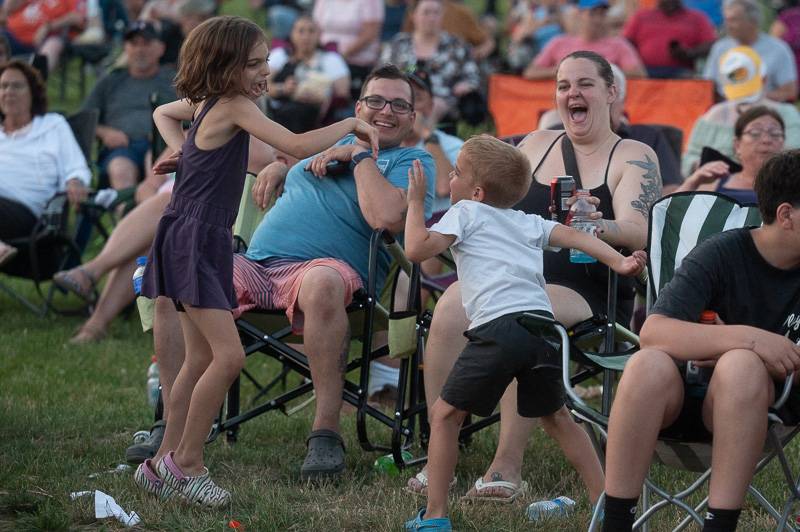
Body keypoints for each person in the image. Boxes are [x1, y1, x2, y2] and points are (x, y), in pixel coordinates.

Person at [127, 63, 435, 476]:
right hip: (258, 264)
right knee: (173, 282)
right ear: (359, 105)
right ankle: (169, 424)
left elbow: (386, 218)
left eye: (400, 104)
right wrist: (280, 166)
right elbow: (281, 151)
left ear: (413, 117)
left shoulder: (415, 161)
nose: (386, 111)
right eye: (376, 100)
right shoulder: (324, 144)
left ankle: (325, 432)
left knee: (323, 282)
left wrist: (361, 154)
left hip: (328, 274)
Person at [131, 15, 378, 507]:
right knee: (229, 357)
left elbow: (162, 113)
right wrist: (350, 125)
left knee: (200, 358)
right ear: (226, 67)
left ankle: (160, 463)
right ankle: (187, 465)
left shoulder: (206, 103)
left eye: (266, 60)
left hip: (192, 235)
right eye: (254, 63)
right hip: (197, 239)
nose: (265, 70)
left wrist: (185, 153)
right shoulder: (235, 106)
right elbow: (296, 145)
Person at [406, 51, 659, 510]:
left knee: (517, 316)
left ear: (610, 92)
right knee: (450, 306)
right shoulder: (534, 143)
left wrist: (593, 226)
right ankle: (442, 443)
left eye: (585, 83)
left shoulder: (634, 155)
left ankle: (507, 463)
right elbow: (478, 178)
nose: (572, 94)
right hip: (516, 273)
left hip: (588, 287)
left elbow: (639, 229)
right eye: (563, 85)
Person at [602, 149, 800, 532]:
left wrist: (736, 352)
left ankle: (719, 524)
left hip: (766, 408)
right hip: (683, 401)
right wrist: (747, 339)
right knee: (647, 362)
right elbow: (654, 331)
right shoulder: (723, 252)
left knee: (740, 366)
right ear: (786, 215)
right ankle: (616, 522)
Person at [51, 137, 276, 344]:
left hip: (203, 224)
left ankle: (92, 284)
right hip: (163, 216)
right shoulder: (188, 135)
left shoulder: (256, 140)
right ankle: (95, 322)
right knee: (158, 227)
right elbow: (147, 186)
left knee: (169, 209)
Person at [0, 60, 90, 267]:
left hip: (31, 220)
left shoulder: (52, 125)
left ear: (33, 92)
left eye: (17, 86)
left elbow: (76, 165)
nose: (8, 92)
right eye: (3, 86)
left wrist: (75, 181)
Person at [538, 63, 682, 194]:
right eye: (565, 87)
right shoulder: (551, 136)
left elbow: (671, 189)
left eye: (609, 96)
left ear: (621, 100)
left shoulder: (648, 137)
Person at [81, 20, 177, 191]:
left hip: (163, 147)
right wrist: (105, 133)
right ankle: (126, 214)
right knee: (120, 170)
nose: (140, 50)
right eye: (134, 44)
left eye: (146, 43)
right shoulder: (110, 81)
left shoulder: (175, 81)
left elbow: (194, 116)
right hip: (122, 147)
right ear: (126, 49)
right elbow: (84, 118)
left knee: (157, 168)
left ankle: (151, 213)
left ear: (160, 48)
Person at [682, 46, 800, 177]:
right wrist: (703, 167)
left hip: (775, 184)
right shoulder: (713, 115)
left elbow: (795, 157)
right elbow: (688, 158)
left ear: (764, 78)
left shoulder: (788, 114)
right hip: (718, 186)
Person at [381, 0, 484, 125]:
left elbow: (473, 76)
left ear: (442, 16)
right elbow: (382, 73)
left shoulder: (456, 45)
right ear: (413, 15)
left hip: (442, 101)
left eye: (436, 13)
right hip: (402, 97)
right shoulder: (399, 43)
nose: (431, 18)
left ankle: (425, 138)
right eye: (426, 13)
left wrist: (465, 85)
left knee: (433, 106)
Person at [677, 106, 784, 204]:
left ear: (783, 144)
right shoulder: (713, 182)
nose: (766, 140)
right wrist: (693, 181)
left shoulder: (793, 183)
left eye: (775, 133)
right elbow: (671, 212)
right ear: (737, 145)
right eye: (755, 133)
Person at [267, 14, 351, 133]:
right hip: (278, 116)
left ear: (319, 35)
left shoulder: (331, 59)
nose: (306, 36)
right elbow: (261, 87)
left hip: (317, 119)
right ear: (292, 34)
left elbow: (343, 94)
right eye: (301, 31)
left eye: (311, 31)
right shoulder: (280, 55)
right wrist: (283, 89)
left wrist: (323, 97)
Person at [523, 0, 646, 80]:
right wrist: (564, 72)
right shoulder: (559, 42)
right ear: (580, 14)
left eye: (602, 14)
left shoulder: (618, 44)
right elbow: (530, 72)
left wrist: (600, 72)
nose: (598, 20)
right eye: (592, 14)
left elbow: (639, 74)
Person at [704, 0, 798, 102]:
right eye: (726, 20)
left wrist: (754, 98)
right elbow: (707, 86)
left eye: (733, 20)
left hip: (765, 110)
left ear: (752, 22)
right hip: (726, 109)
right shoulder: (719, 48)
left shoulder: (778, 49)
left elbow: (789, 92)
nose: (728, 25)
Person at [622, 0, 716, 79]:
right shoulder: (641, 16)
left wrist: (690, 53)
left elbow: (710, 44)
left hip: (680, 71)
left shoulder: (697, 18)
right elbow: (625, 42)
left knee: (689, 78)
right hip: (646, 70)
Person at [312, 0, 384, 97]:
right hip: (325, 59)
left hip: (357, 62)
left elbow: (370, 33)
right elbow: (315, 28)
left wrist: (339, 57)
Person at [0, 0, 86, 72]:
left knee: (53, 45)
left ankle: (34, 86)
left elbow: (78, 17)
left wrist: (48, 26)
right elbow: (7, 9)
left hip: (44, 41)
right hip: (10, 35)